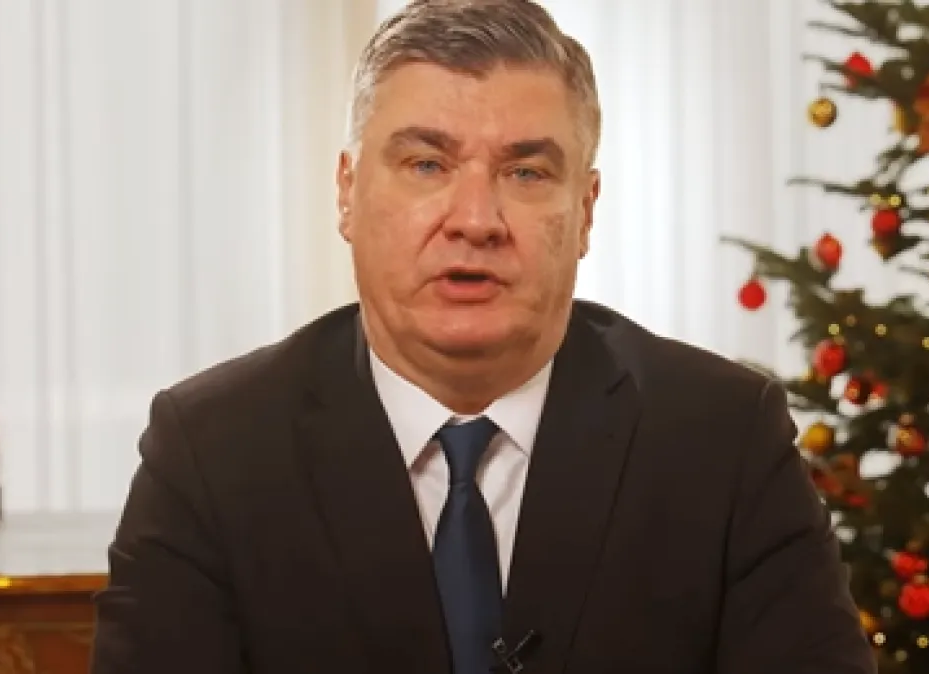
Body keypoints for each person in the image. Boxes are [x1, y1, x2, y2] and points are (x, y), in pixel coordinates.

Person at [89, 1, 876, 672]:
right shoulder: (213, 450)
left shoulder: (724, 440)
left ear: (586, 212)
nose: (475, 220)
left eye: (526, 173)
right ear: (347, 192)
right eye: (426, 164)